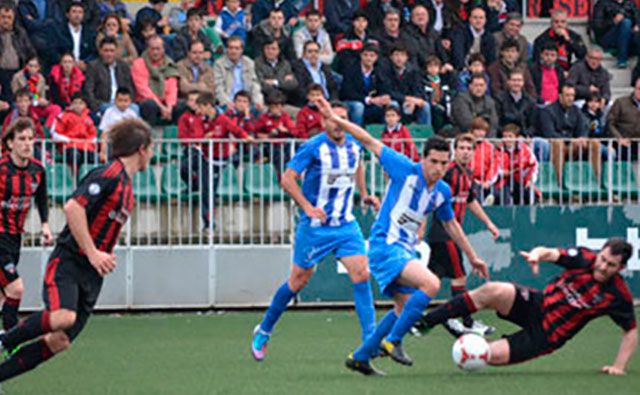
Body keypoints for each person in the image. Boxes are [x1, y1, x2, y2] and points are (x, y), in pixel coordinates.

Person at [309, 96, 488, 376]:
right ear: (423, 159)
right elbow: (368, 140)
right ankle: (393, 341)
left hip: (403, 250)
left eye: (444, 163)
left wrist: (473, 256)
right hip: (385, 246)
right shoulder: (404, 168)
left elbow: (452, 226)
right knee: (429, 284)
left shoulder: (441, 191)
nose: (439, 168)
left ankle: (361, 356)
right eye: (434, 162)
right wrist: (336, 118)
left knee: (403, 307)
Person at [0, 118, 154, 383]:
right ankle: (4, 340)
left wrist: (102, 255)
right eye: (151, 148)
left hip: (92, 275)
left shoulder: (127, 187)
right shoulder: (108, 174)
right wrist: (93, 252)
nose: (152, 154)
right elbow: (73, 207)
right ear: (141, 149)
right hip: (69, 261)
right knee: (62, 316)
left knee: (59, 341)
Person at [251, 100, 381, 362]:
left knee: (361, 274)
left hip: (346, 225)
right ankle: (264, 329)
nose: (338, 122)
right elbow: (287, 179)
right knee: (298, 281)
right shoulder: (313, 147)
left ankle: (370, 339)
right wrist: (308, 207)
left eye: (342, 117)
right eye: (332, 118)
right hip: (315, 228)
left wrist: (364, 193)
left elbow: (359, 166)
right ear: (324, 122)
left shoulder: (354, 146)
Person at [418, 238, 637, 375]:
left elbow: (631, 331)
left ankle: (474, 346)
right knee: (493, 290)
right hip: (536, 304)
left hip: (546, 335)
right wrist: (537, 255)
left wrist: (619, 366)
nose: (603, 265)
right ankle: (426, 321)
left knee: (485, 355)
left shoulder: (618, 295)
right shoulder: (584, 258)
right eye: (603, 259)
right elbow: (550, 252)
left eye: (611, 265)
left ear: (621, 268)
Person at [418, 133, 499, 337]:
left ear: (474, 152)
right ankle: (463, 321)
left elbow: (470, 200)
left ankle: (411, 319)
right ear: (455, 151)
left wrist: (488, 223)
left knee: (429, 280)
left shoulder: (467, 174)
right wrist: (420, 227)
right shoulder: (449, 173)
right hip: (444, 233)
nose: (465, 152)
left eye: (469, 148)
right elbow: (428, 199)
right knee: (459, 278)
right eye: (461, 148)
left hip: (447, 235)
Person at [0, 119, 53, 331]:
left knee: (4, 294)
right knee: (16, 289)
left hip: (15, 237)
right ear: (10, 143)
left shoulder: (38, 170)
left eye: (31, 139)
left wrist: (46, 225)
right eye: (21, 139)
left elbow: (41, 198)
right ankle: (10, 342)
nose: (27, 143)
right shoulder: (2, 170)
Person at [131, 35, 179, 126]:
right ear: (148, 49)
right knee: (150, 105)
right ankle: (150, 137)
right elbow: (143, 90)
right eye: (152, 49)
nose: (155, 52)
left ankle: (174, 137)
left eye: (158, 49)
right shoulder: (139, 63)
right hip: (145, 101)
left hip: (165, 101)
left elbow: (172, 89)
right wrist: (161, 107)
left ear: (163, 49)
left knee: (181, 106)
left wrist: (169, 107)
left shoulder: (169, 64)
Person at [84, 37, 136, 117]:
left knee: (135, 108)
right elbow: (88, 90)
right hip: (103, 103)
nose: (109, 54)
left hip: (123, 102)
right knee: (111, 111)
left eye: (112, 51)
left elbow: (130, 88)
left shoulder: (123, 66)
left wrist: (127, 102)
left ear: (116, 52)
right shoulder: (93, 67)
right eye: (106, 51)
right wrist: (95, 106)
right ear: (100, 51)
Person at [213, 36, 264, 111]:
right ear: (227, 49)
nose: (233, 51)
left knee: (263, 111)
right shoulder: (219, 64)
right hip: (228, 103)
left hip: (247, 102)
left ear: (242, 50)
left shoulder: (249, 62)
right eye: (231, 48)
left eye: (237, 48)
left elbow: (254, 84)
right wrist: (227, 102)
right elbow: (218, 87)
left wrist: (258, 101)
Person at [10, 56, 62, 129]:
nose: (32, 68)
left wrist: (43, 101)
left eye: (35, 66)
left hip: (37, 105)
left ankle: (46, 129)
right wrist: (34, 98)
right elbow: (16, 95)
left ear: (39, 67)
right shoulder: (17, 77)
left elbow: (41, 96)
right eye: (30, 66)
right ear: (26, 66)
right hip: (24, 104)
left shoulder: (41, 78)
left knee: (56, 108)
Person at [52, 93, 98, 169]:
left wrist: (89, 142)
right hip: (69, 146)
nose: (78, 105)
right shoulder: (64, 116)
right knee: (75, 155)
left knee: (93, 157)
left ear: (85, 105)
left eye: (80, 103)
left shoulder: (88, 119)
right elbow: (56, 133)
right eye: (75, 103)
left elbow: (93, 134)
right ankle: (73, 178)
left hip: (86, 147)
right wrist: (67, 140)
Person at [592, 0, 640, 68]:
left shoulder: (630, 3)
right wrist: (613, 21)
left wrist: (637, 25)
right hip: (607, 37)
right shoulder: (602, 3)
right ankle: (622, 60)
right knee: (626, 22)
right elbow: (597, 26)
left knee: (635, 34)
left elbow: (638, 17)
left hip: (628, 35)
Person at [98, 88, 139, 162]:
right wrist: (103, 152)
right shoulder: (109, 112)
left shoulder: (132, 114)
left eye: (125, 101)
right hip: (113, 144)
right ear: (115, 101)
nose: (123, 103)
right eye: (120, 100)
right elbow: (104, 133)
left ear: (130, 101)